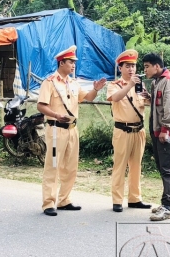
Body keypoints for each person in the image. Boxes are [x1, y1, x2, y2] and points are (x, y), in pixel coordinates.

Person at [37, 45, 107, 217]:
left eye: (74, 62)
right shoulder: (50, 82)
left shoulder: (74, 83)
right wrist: (55, 115)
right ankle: (48, 203)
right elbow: (40, 105)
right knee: (53, 165)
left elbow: (88, 98)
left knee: (70, 167)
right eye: (70, 62)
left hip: (72, 130)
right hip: (55, 130)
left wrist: (96, 89)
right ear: (61, 63)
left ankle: (64, 200)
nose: (73, 65)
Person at [106, 49, 152, 213]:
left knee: (136, 166)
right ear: (120, 68)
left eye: (133, 66)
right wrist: (130, 85)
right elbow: (116, 98)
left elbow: (145, 104)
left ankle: (135, 198)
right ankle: (117, 200)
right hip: (122, 131)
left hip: (139, 131)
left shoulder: (140, 84)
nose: (131, 69)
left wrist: (148, 96)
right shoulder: (114, 85)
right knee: (120, 166)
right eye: (127, 66)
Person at [142, 53, 170, 221]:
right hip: (158, 130)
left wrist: (165, 129)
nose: (144, 70)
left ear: (157, 66)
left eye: (147, 66)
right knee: (163, 166)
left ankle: (166, 206)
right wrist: (149, 98)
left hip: (167, 131)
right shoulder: (157, 82)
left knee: (167, 168)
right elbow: (160, 103)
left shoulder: (169, 81)